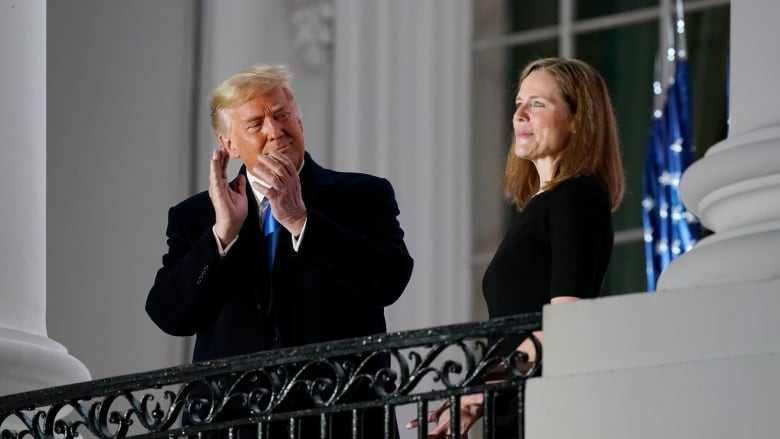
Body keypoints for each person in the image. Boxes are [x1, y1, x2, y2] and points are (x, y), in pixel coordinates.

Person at [146, 64, 414, 437]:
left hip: (338, 420)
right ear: (229, 144)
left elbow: (389, 281)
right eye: (255, 124)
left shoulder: (362, 195)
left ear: (300, 120)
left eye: (282, 114)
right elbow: (169, 315)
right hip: (232, 425)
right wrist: (221, 236)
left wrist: (302, 221)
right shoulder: (196, 217)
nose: (275, 131)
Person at [407, 57, 625, 437]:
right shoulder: (543, 204)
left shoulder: (577, 196)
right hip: (518, 402)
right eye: (519, 103)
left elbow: (565, 324)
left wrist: (481, 387)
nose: (520, 114)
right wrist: (480, 389)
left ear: (577, 120)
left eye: (538, 103)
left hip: (546, 409)